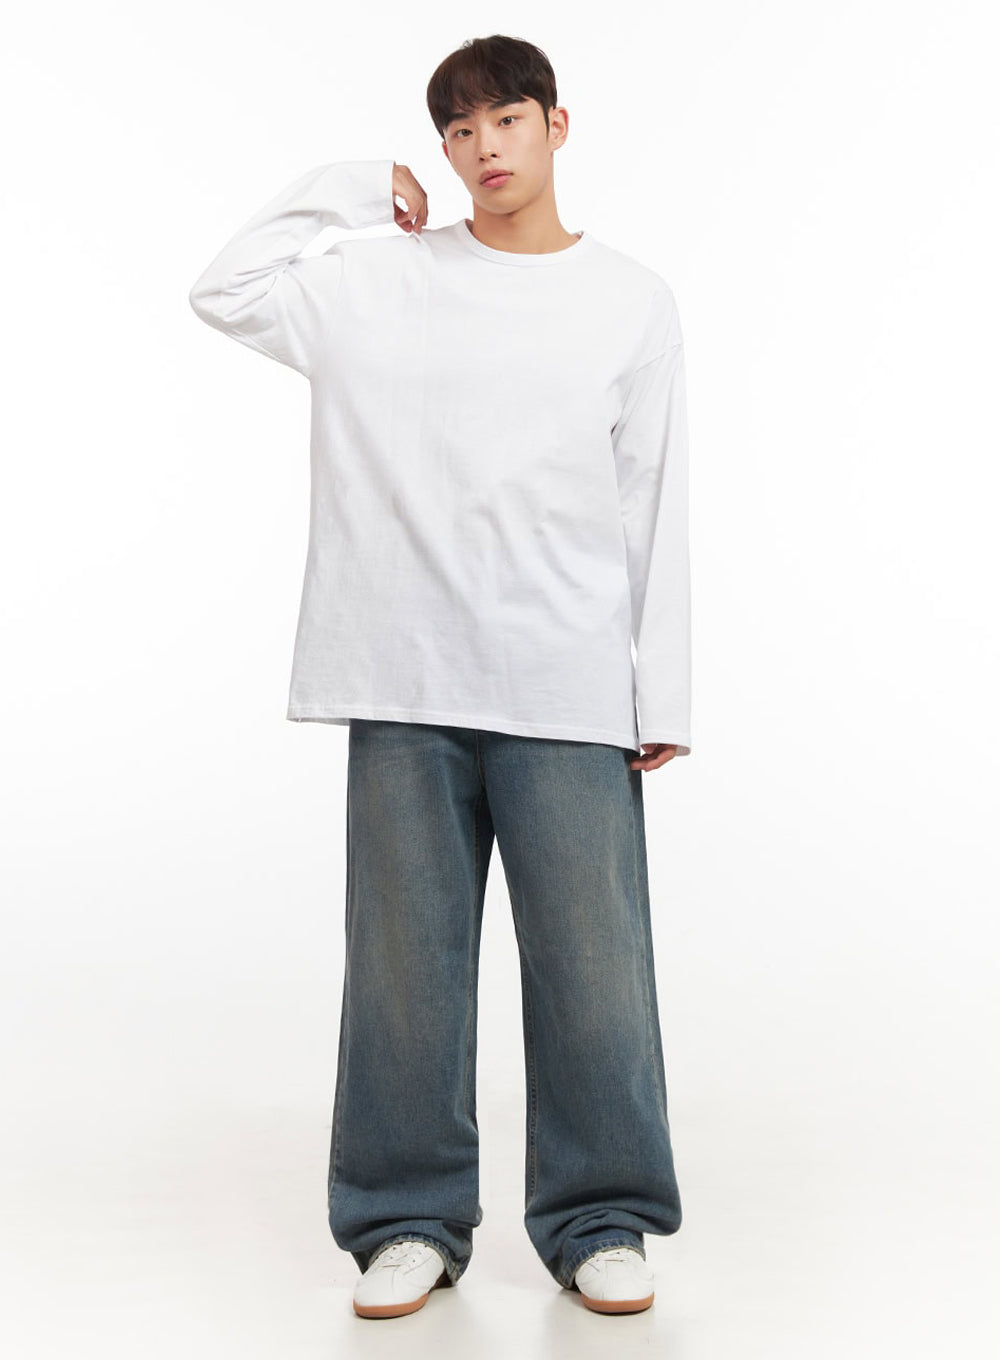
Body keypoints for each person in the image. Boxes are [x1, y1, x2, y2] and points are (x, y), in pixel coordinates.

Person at [188, 32, 691, 1321]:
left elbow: (651, 498)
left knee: (595, 971)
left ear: (557, 125)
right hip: (405, 676)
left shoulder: (630, 300)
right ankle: (406, 1220)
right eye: (460, 130)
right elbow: (225, 287)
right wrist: (359, 188)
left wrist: (665, 692)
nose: (483, 148)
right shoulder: (378, 282)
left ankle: (602, 1218)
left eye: (506, 119)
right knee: (403, 975)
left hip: (567, 682)